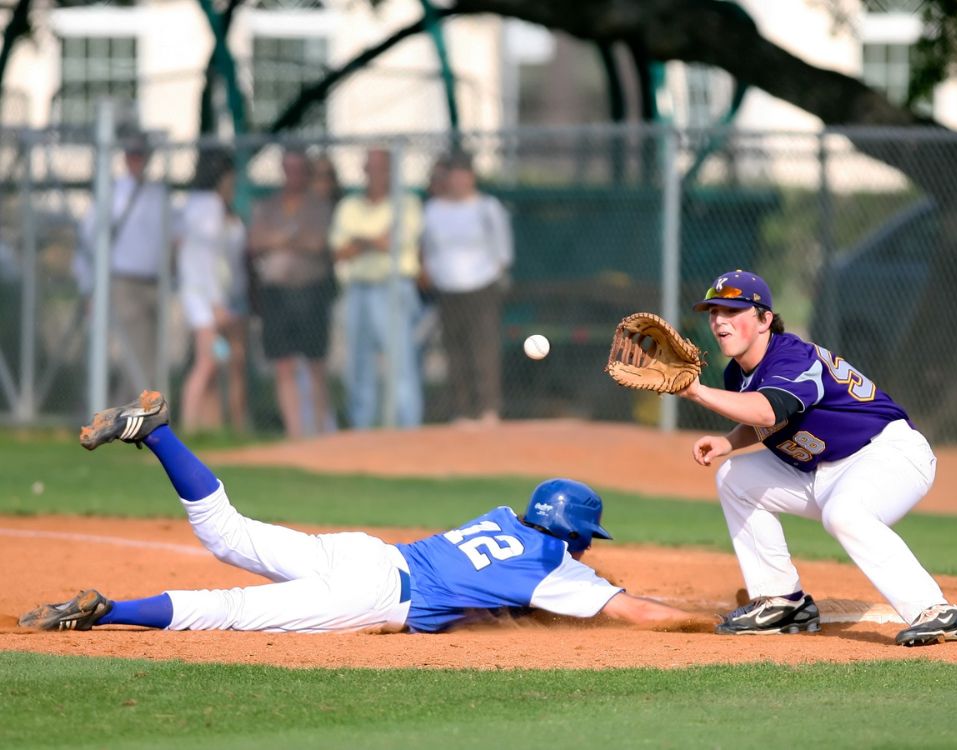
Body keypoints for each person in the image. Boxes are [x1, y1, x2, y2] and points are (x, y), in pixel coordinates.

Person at [19, 391, 710, 635]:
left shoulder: (503, 518)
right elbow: (634, 612)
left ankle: (157, 432)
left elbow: (496, 592)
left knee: (225, 532)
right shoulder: (552, 567)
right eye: (585, 541)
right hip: (374, 593)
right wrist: (713, 622)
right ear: (573, 536)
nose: (586, 553)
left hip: (365, 553)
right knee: (226, 608)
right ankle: (106, 612)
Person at [677, 269, 957, 646]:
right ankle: (783, 602)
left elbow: (770, 410)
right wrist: (729, 443)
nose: (719, 320)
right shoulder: (736, 374)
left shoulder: (793, 357)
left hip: (888, 453)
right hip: (823, 470)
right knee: (734, 476)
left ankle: (937, 611)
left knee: (845, 513)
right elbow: (772, 419)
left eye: (732, 310)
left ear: (765, 319)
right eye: (713, 312)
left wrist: (696, 392)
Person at [330, 148, 424, 429]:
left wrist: (359, 241)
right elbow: (340, 251)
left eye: (381, 167)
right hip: (358, 288)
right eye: (370, 167)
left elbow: (393, 243)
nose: (375, 173)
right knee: (358, 364)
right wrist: (373, 240)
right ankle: (362, 429)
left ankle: (407, 429)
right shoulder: (349, 206)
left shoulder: (406, 203)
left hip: (393, 288)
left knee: (400, 363)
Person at [74, 130, 170, 401]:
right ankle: (129, 413)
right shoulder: (112, 194)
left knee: (150, 353)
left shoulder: (157, 193)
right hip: (123, 282)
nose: (137, 160)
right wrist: (88, 286)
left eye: (141, 154)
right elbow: (87, 242)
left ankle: (133, 412)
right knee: (135, 353)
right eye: (132, 154)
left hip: (154, 282)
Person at [421, 152, 513, 426]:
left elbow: (502, 250)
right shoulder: (434, 209)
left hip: (482, 286)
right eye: (454, 175)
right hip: (447, 288)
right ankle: (462, 411)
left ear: (472, 177)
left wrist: (493, 275)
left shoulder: (487, 207)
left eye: (464, 174)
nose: (459, 181)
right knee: (454, 350)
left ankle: (488, 409)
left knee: (483, 348)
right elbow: (427, 250)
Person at [247, 148, 334, 438]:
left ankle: (320, 432)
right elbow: (255, 241)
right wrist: (291, 237)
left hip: (310, 293)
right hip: (276, 295)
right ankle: (296, 434)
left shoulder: (318, 206)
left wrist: (279, 239)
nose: (293, 175)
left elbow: (318, 243)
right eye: (289, 168)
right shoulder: (268, 205)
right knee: (282, 364)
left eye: (299, 169)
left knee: (315, 364)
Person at [177, 147, 248, 433]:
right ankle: (189, 426)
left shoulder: (195, 205)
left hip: (205, 295)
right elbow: (206, 261)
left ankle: (210, 426)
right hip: (204, 298)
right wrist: (217, 303)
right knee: (207, 363)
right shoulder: (209, 207)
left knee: (218, 361)